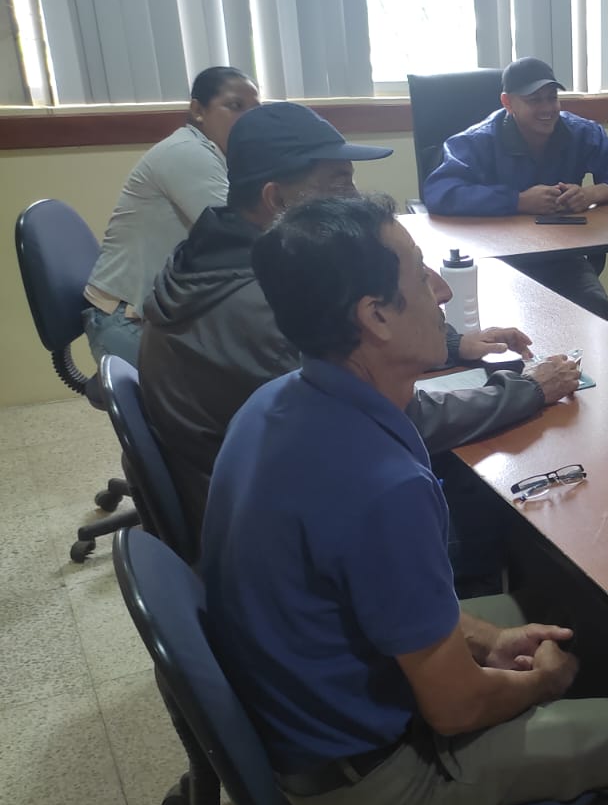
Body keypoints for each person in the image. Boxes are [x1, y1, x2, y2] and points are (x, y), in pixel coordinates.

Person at [205, 194, 608, 805]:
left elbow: (381, 599)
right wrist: (540, 684)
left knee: (567, 623)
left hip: (310, 716)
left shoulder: (277, 403)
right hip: (367, 784)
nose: (441, 291)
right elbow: (457, 708)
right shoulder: (380, 485)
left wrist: (489, 640)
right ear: (374, 315)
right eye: (419, 275)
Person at [138, 101, 578, 550]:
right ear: (277, 200)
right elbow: (392, 421)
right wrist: (527, 390)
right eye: (338, 183)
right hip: (288, 536)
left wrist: (451, 344)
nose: (354, 197)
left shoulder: (213, 255)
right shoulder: (266, 305)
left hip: (257, 494)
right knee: (516, 502)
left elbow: (350, 352)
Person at [421, 57, 608, 323]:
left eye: (552, 98)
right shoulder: (477, 141)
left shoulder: (580, 132)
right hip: (497, 256)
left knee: (596, 311)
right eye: (534, 100)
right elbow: (439, 192)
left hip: (561, 255)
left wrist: (591, 194)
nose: (547, 109)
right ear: (507, 103)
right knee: (509, 323)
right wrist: (517, 201)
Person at [82, 66, 260, 363]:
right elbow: (242, 236)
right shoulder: (187, 152)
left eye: (255, 110)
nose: (248, 119)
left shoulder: (220, 156)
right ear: (198, 110)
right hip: (126, 321)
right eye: (235, 106)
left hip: (165, 314)